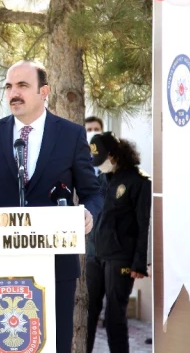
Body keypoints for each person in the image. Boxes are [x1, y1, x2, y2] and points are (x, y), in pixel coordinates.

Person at [0, 60, 102, 353]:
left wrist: (88, 212)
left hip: (55, 266)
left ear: (44, 92)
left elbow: (93, 192)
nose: (13, 93)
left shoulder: (70, 135)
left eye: (22, 86)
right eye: (8, 86)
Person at [85, 132, 151, 353]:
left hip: (120, 257)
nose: (100, 166)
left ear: (113, 155)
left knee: (114, 317)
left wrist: (139, 263)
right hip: (95, 255)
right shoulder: (100, 180)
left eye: (102, 160)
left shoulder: (138, 182)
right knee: (88, 313)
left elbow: (144, 224)